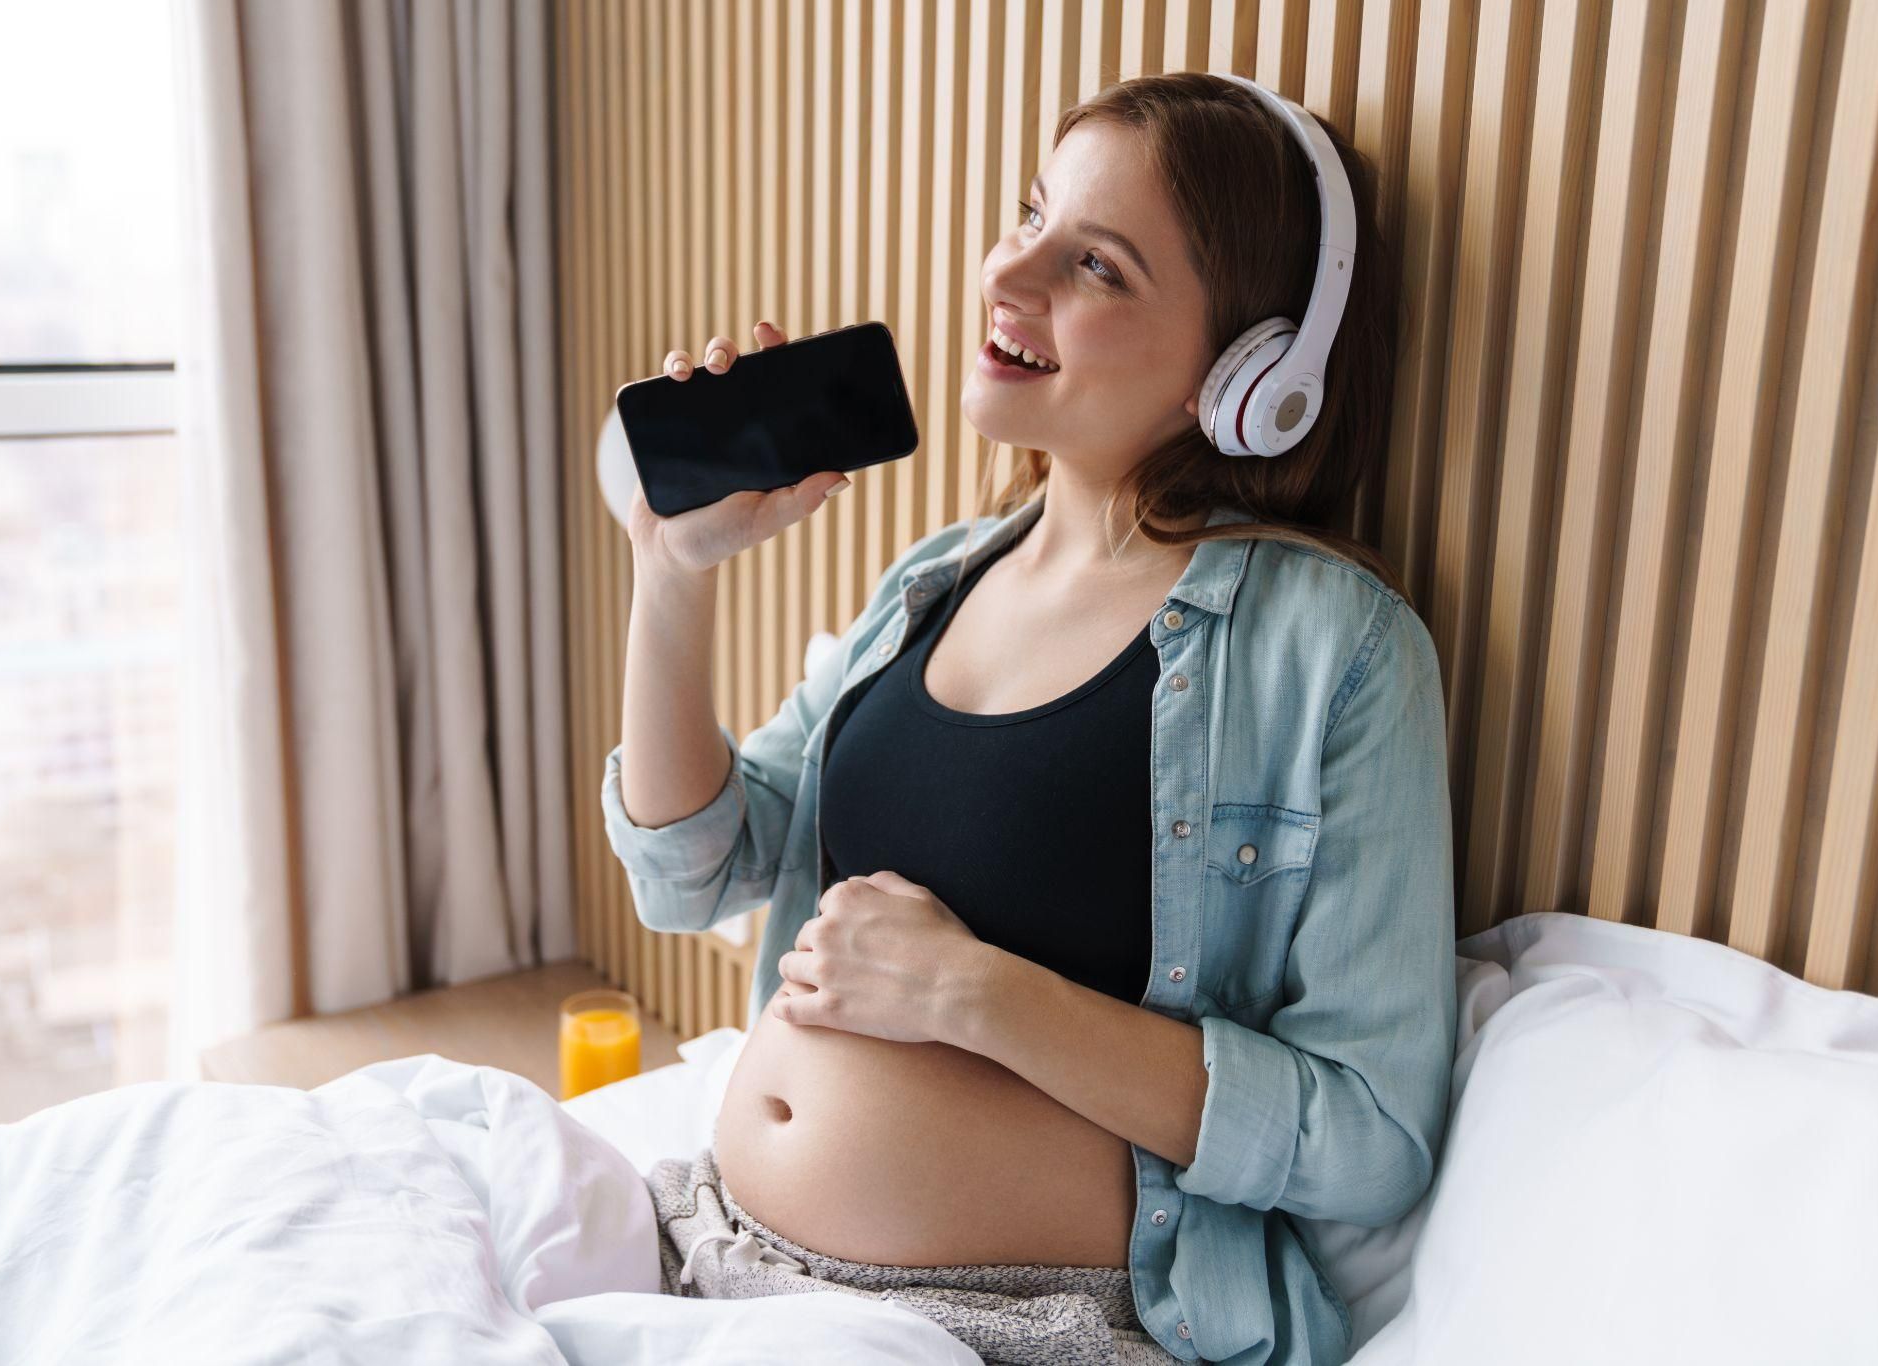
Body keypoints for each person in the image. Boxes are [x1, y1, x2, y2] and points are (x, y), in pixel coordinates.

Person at [603, 71, 1456, 1366]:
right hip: (716, 1244)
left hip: (1025, 1328)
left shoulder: (1333, 648)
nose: (1012, 274)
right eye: (1030, 215)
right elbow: (695, 867)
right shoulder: (937, 579)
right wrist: (671, 575)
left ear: (1251, 373)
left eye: (1097, 265)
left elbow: (1370, 1133)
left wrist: (972, 993)